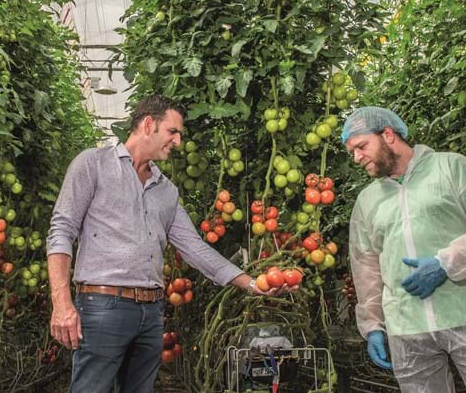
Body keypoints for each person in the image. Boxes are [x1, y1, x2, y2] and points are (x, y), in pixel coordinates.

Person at [47, 94, 289, 392]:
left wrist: (253, 284)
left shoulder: (167, 190)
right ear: (148, 124)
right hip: (102, 306)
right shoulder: (93, 165)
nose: (177, 142)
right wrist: (61, 303)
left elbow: (196, 249)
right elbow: (61, 230)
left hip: (151, 312)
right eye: (173, 132)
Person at [343, 106, 466, 393]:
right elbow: (366, 267)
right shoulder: (367, 201)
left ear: (388, 135)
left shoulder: (450, 168)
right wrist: (374, 325)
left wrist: (446, 263)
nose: (357, 157)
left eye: (361, 146)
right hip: (406, 325)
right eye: (352, 151)